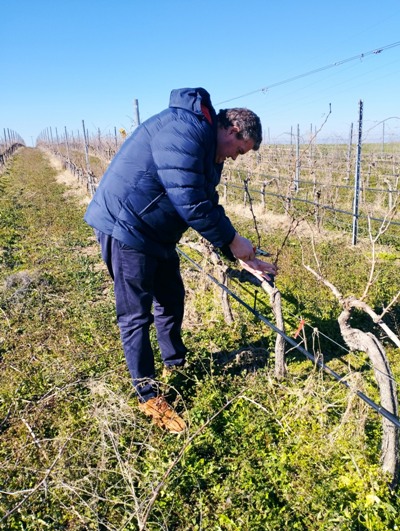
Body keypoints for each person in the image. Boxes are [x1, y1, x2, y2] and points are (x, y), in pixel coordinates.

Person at [84, 87, 277, 433]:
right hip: (126, 226)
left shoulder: (208, 149)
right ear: (233, 130)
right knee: (135, 315)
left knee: (171, 298)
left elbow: (207, 202)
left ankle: (174, 362)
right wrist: (233, 241)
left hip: (156, 232)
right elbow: (190, 201)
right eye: (239, 150)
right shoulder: (184, 129)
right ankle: (148, 397)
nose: (236, 158)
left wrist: (236, 253)